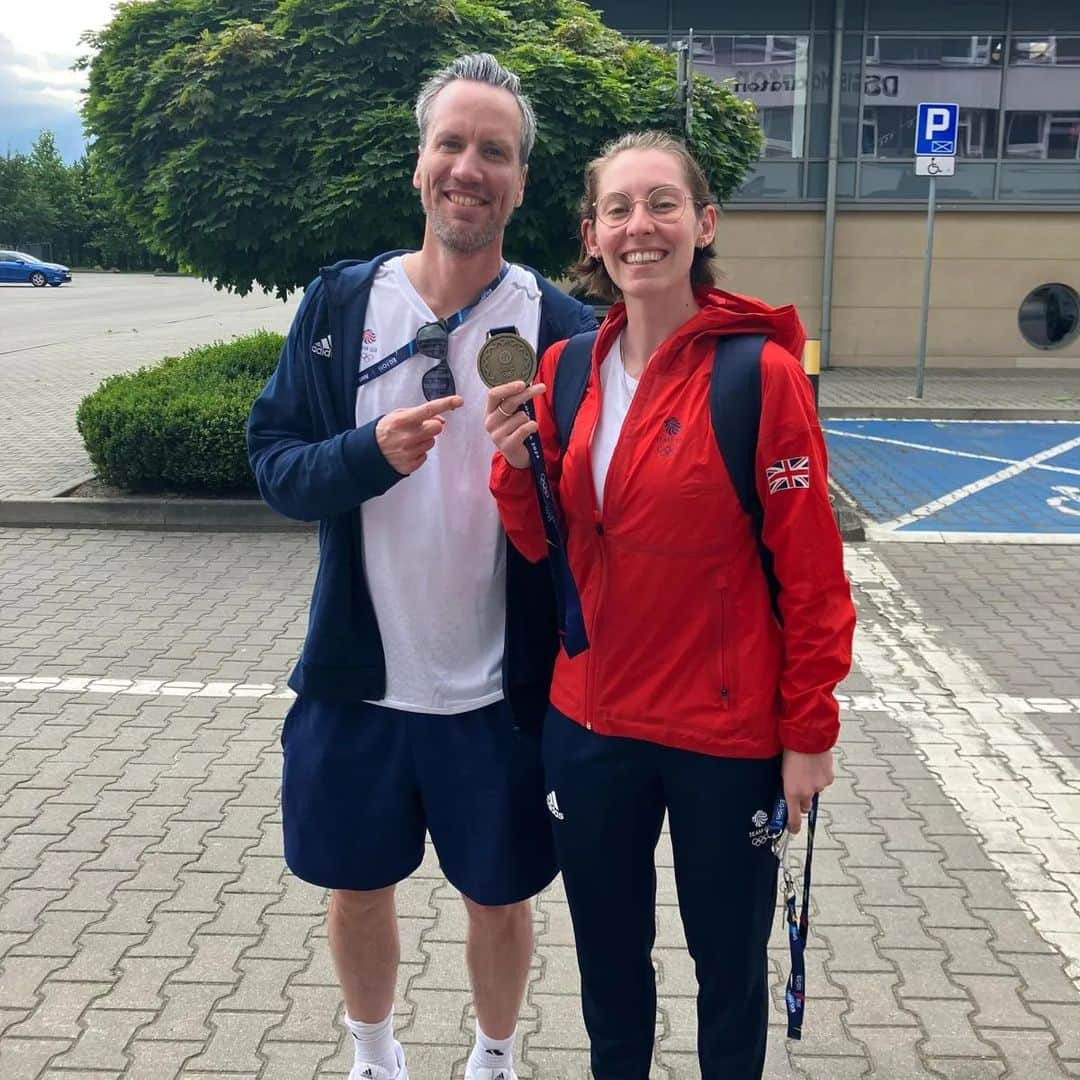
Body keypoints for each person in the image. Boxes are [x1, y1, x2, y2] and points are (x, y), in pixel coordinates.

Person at [247, 54, 596, 1080]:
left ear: (522, 182)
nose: (469, 167)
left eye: (496, 151)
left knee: (501, 894)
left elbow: (599, 521)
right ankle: (374, 1053)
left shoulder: (563, 330)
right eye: (451, 143)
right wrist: (367, 455)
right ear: (419, 164)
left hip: (500, 690)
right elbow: (274, 466)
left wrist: (543, 474)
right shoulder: (339, 308)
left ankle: (493, 1056)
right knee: (355, 885)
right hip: (360, 681)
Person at [485, 131, 856, 1078]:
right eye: (618, 208)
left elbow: (812, 573)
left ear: (703, 223)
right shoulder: (568, 369)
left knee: (727, 973)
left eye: (661, 205)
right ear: (592, 233)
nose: (638, 226)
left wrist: (807, 732)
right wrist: (514, 461)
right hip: (592, 722)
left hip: (724, 737)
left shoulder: (756, 375)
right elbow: (544, 546)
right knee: (610, 974)